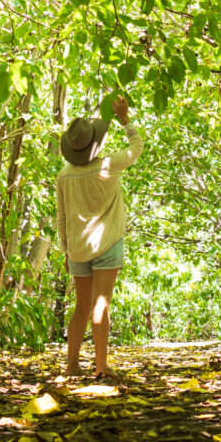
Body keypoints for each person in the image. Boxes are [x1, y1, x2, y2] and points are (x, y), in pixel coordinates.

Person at [54, 93, 141, 382]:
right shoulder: (109, 165)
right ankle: (101, 367)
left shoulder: (64, 175)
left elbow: (62, 218)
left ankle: (71, 365)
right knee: (101, 303)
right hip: (108, 244)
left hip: (78, 249)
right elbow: (137, 147)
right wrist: (124, 118)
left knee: (81, 307)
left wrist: (66, 251)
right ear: (96, 145)